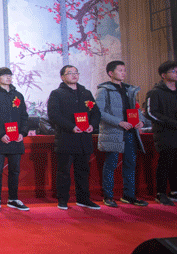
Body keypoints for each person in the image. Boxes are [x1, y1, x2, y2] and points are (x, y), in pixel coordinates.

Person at [47, 65, 101, 210]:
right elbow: (53, 115)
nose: (74, 75)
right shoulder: (57, 94)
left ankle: (83, 199)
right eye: (70, 73)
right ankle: (63, 200)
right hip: (66, 138)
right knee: (64, 171)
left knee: (83, 171)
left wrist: (92, 125)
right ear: (62, 77)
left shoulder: (86, 93)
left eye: (76, 72)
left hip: (84, 138)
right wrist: (71, 127)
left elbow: (96, 113)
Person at [95, 61, 148, 207]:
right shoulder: (104, 90)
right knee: (111, 164)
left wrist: (141, 121)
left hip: (130, 131)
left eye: (124, 70)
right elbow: (99, 112)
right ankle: (108, 197)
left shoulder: (130, 89)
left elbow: (136, 108)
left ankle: (129, 196)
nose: (123, 73)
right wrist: (119, 122)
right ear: (111, 73)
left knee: (130, 164)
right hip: (114, 131)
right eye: (120, 70)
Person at [145, 61, 177, 205]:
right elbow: (150, 113)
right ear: (163, 75)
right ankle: (160, 193)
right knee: (165, 163)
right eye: (174, 71)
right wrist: (174, 123)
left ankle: (175, 192)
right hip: (165, 134)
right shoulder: (155, 92)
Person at [0, 67, 30, 211]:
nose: (8, 77)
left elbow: (24, 116)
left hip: (16, 139)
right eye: (4, 75)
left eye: (10, 75)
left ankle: (13, 199)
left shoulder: (18, 95)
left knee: (15, 170)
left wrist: (23, 132)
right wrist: (1, 135)